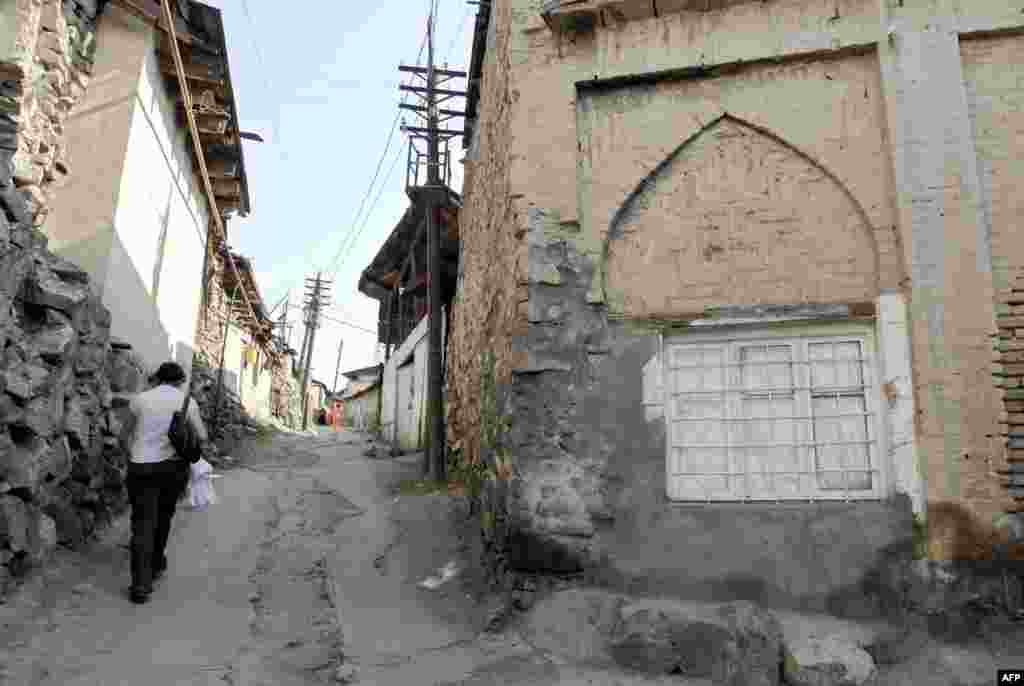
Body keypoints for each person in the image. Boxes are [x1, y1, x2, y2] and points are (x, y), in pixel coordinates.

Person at [119, 361, 208, 604]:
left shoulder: (140, 400)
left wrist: (131, 456)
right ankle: (156, 563)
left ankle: (140, 585)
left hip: (141, 468)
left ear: (158, 378)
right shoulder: (186, 403)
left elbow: (123, 435)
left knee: (142, 523)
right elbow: (202, 436)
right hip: (172, 469)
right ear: (180, 381)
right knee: (163, 517)